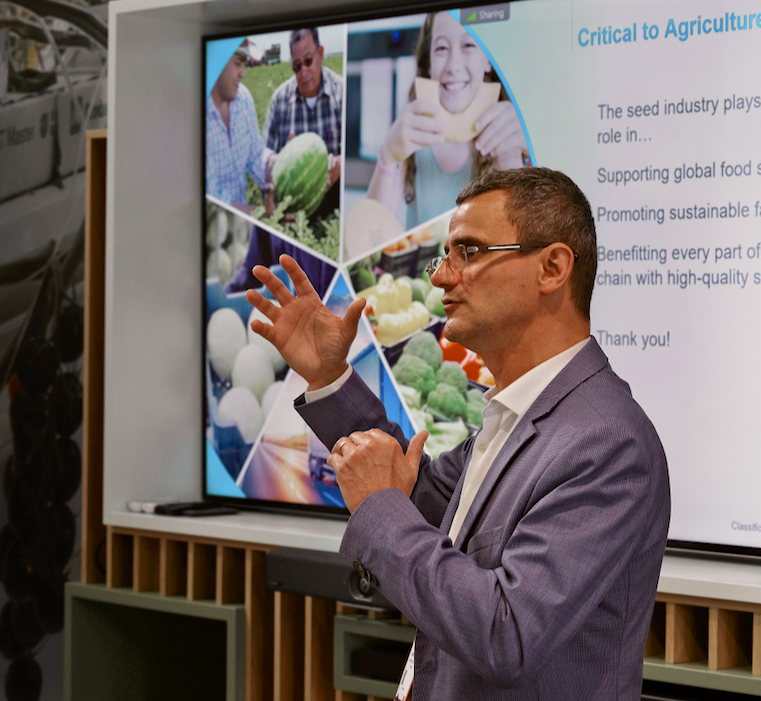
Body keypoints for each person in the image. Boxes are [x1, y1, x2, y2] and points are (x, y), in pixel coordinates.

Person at [247, 168, 670, 700]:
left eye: (468, 252)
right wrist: (330, 378)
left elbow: (507, 634)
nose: (442, 277)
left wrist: (379, 505)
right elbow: (419, 497)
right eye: (446, 255)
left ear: (553, 267)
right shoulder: (520, 413)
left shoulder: (607, 443)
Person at [365, 12, 530, 230]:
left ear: (489, 59)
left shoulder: (513, 135)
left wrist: (512, 159)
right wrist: (388, 155)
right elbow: (371, 232)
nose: (453, 65)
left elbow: (523, 235)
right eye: (441, 48)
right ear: (429, 63)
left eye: (468, 46)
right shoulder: (413, 134)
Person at [263, 27, 343, 219]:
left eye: (308, 61)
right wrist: (274, 161)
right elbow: (262, 153)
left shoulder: (342, 92)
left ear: (321, 54)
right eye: (297, 66)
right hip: (292, 216)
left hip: (335, 209)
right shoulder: (280, 100)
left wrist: (339, 165)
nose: (303, 71)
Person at [205, 41, 276, 213]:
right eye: (237, 63)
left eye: (244, 64)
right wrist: (259, 215)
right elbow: (211, 199)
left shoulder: (243, 99)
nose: (243, 73)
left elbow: (256, 155)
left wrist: (283, 165)